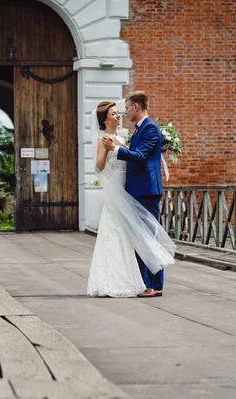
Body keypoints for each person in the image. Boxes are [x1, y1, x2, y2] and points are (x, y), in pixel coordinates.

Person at [86, 99, 175, 298]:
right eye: (115, 113)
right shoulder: (104, 139)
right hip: (120, 191)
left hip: (132, 191)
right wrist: (108, 150)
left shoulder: (125, 136)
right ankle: (124, 280)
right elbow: (99, 167)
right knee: (120, 234)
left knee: (137, 236)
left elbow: (137, 155)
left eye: (120, 111)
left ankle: (146, 282)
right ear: (105, 119)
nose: (119, 115)